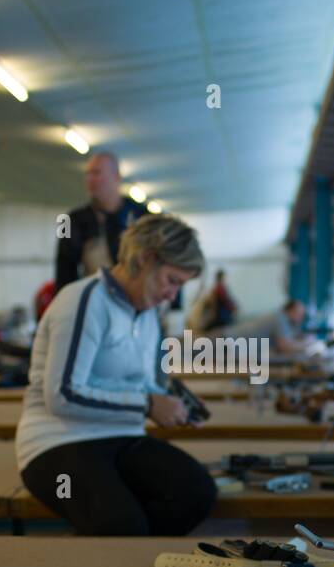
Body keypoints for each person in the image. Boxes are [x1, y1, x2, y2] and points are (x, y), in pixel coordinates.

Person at [18, 213, 217, 536]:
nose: (172, 294)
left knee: (196, 494)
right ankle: (113, 560)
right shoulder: (84, 300)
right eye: (172, 280)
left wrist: (173, 402)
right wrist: (148, 406)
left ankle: (123, 562)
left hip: (122, 435)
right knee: (122, 528)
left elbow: (144, 384)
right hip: (58, 442)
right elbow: (63, 395)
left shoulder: (149, 313)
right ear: (145, 259)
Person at [54, 151, 146, 295]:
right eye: (88, 174)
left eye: (97, 173)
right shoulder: (66, 220)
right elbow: (63, 269)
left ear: (117, 177)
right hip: (97, 299)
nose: (90, 179)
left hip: (137, 299)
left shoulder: (143, 216)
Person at [217, 298, 311, 355]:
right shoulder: (280, 319)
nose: (300, 318)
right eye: (299, 314)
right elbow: (284, 346)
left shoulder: (280, 317)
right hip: (225, 340)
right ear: (290, 310)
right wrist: (307, 346)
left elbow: (287, 340)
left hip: (226, 339)